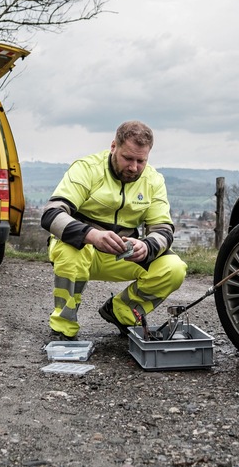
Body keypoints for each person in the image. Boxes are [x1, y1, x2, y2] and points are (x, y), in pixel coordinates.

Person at [41, 120, 187, 340]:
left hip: (123, 255)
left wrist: (147, 247)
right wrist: (92, 235)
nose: (134, 167)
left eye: (141, 161)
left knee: (174, 268)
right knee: (69, 253)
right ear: (113, 147)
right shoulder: (87, 168)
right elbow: (51, 214)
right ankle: (63, 326)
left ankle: (121, 312)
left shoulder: (153, 180)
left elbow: (163, 229)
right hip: (84, 249)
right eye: (128, 158)